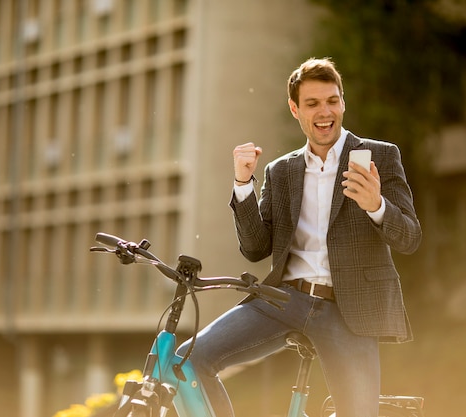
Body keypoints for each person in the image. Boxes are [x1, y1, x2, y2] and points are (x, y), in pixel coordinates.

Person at [177, 57, 422, 417]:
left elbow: (410, 238)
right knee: (189, 360)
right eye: (312, 104)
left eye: (332, 101)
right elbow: (255, 248)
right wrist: (243, 184)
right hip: (284, 300)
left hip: (348, 308)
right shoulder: (281, 171)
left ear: (342, 101)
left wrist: (376, 205)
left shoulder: (381, 157)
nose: (325, 112)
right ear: (295, 109)